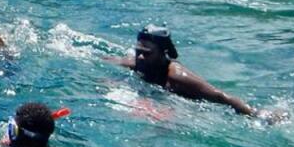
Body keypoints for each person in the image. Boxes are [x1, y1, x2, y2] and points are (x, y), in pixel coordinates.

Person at [106, 24, 280, 119]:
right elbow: (105, 59)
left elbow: (220, 96)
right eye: (138, 51)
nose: (140, 57)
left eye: (147, 53)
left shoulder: (177, 77)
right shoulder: (138, 62)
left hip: (191, 107)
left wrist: (256, 114)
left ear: (162, 53)